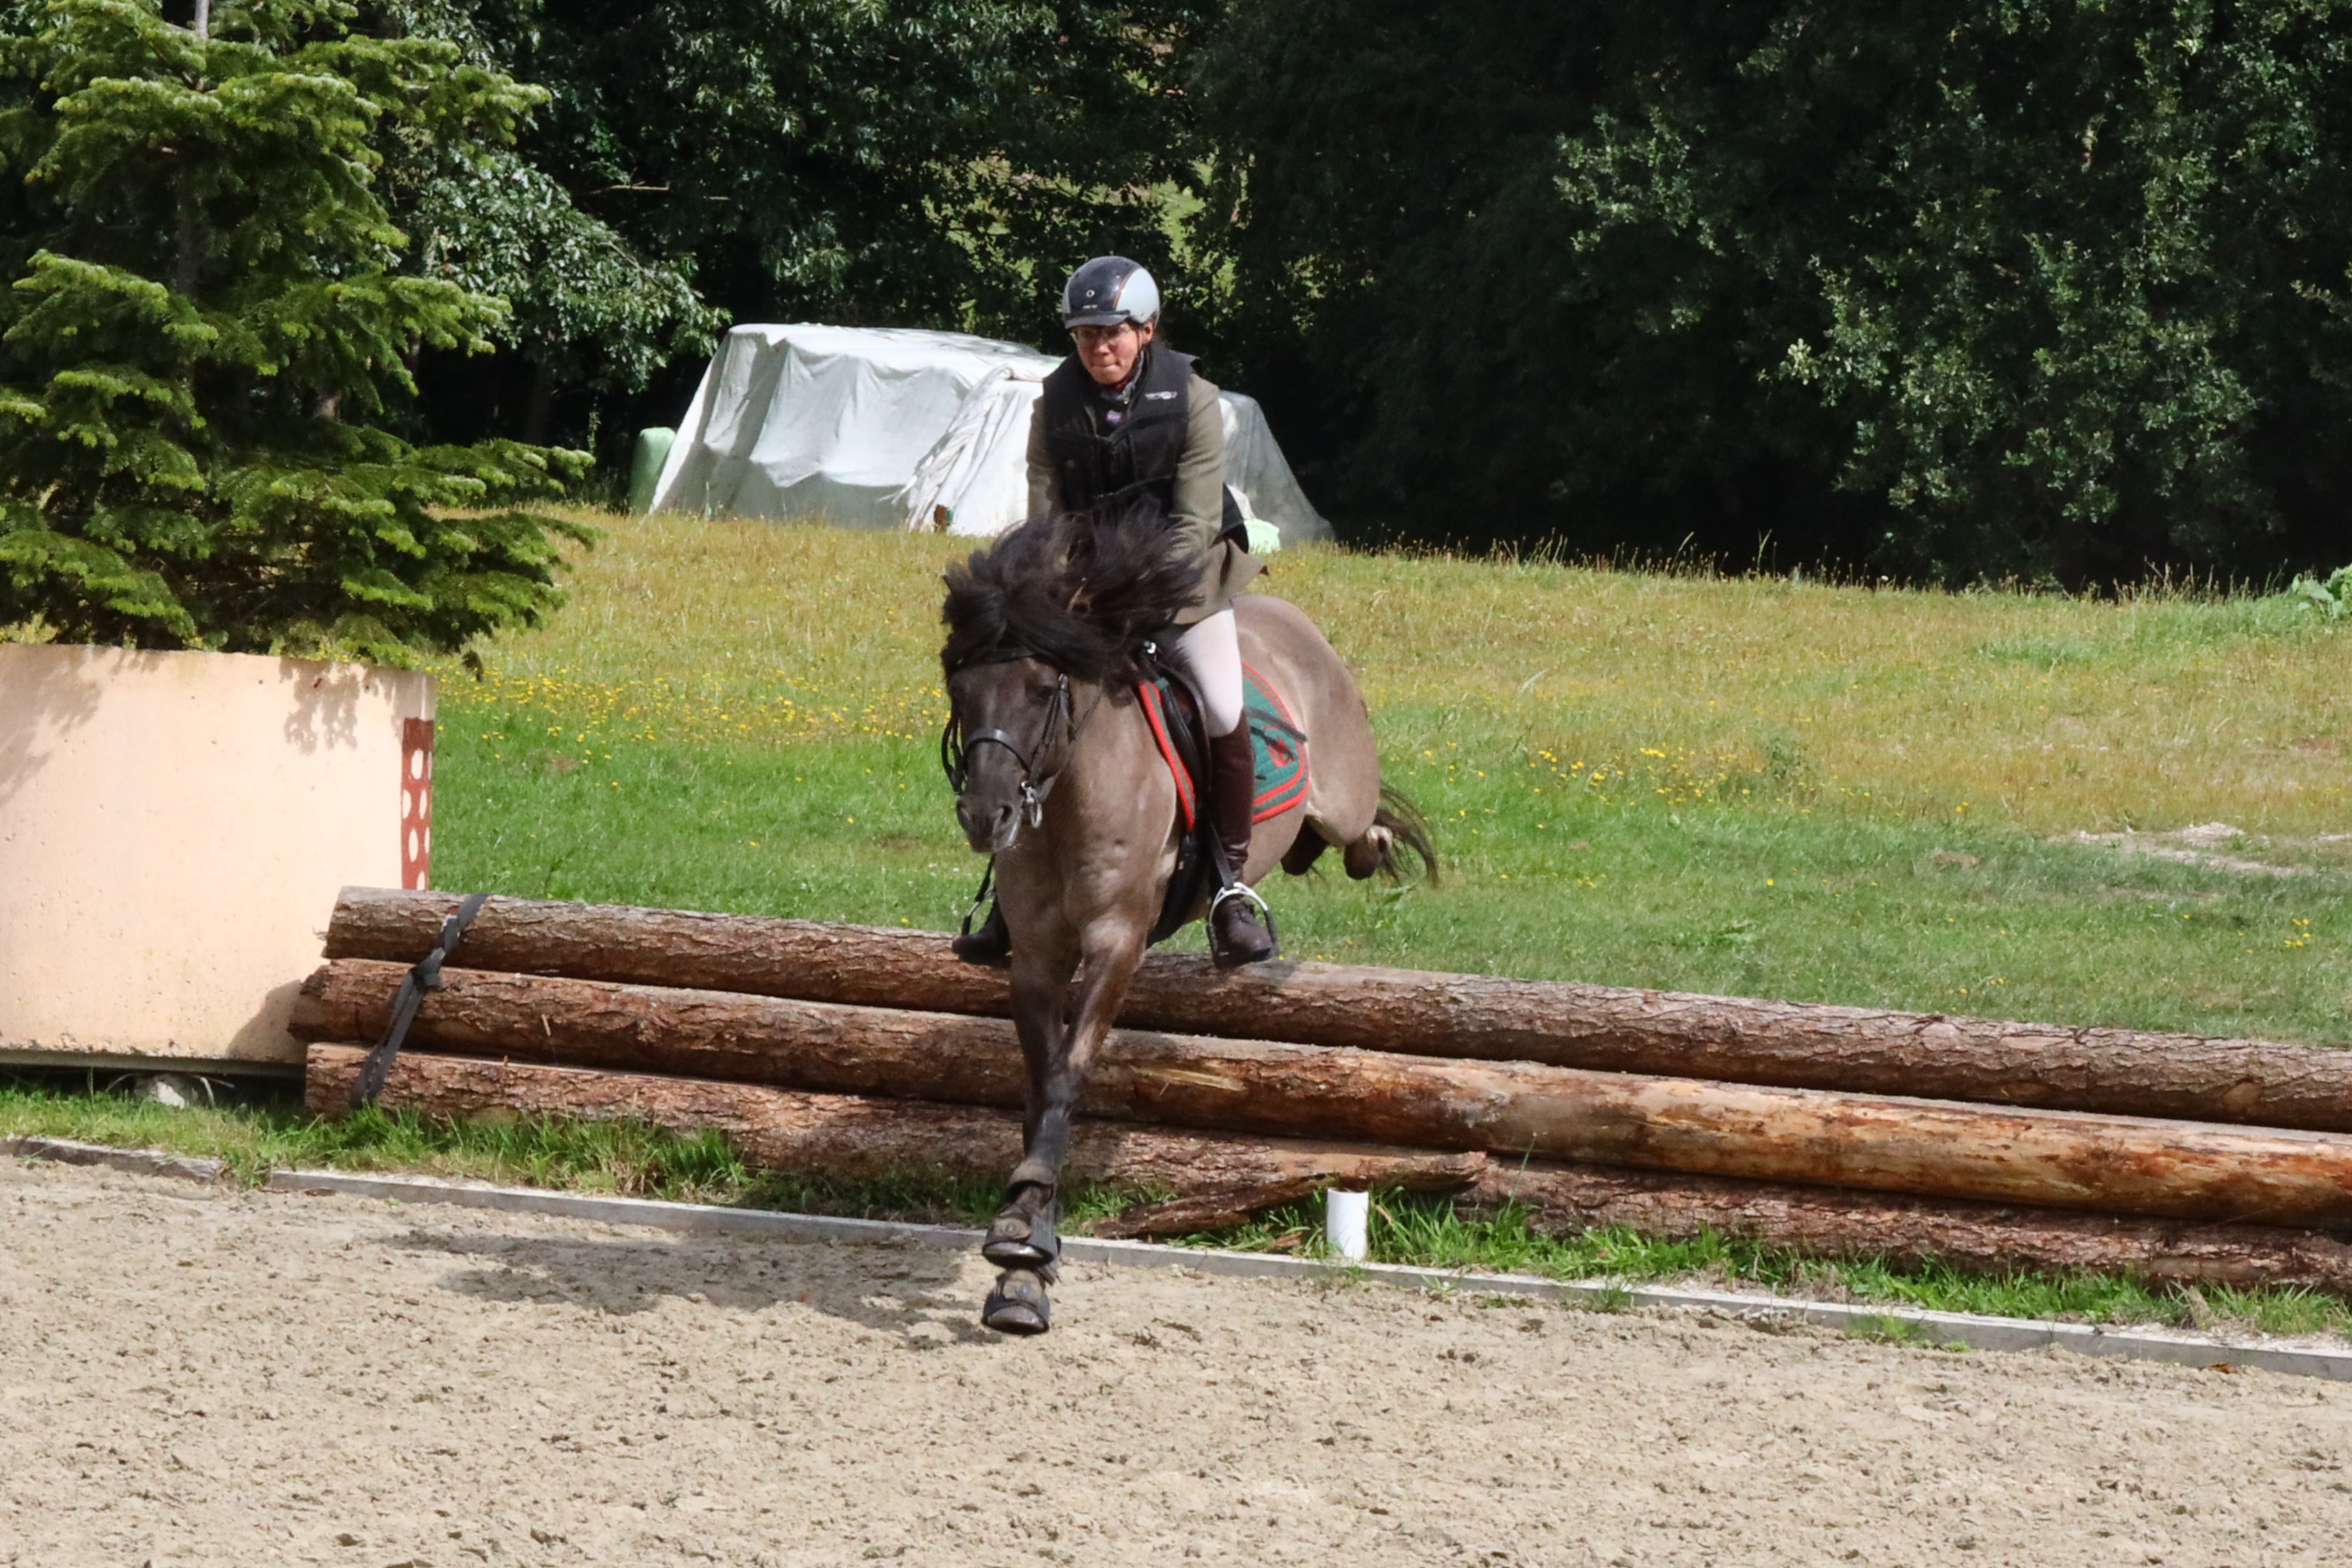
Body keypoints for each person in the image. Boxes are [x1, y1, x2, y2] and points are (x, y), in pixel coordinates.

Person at [953, 256, 1278, 968]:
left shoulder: (1195, 400)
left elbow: (1193, 525)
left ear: (1146, 330)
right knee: (1024, 703)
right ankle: (1011, 896)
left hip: (1184, 588)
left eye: (1112, 333)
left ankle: (1228, 888)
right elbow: (1045, 515)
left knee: (1222, 706)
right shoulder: (1053, 403)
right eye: (1085, 335)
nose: (1098, 347)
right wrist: (1057, 590)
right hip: (1085, 594)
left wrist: (1128, 592)